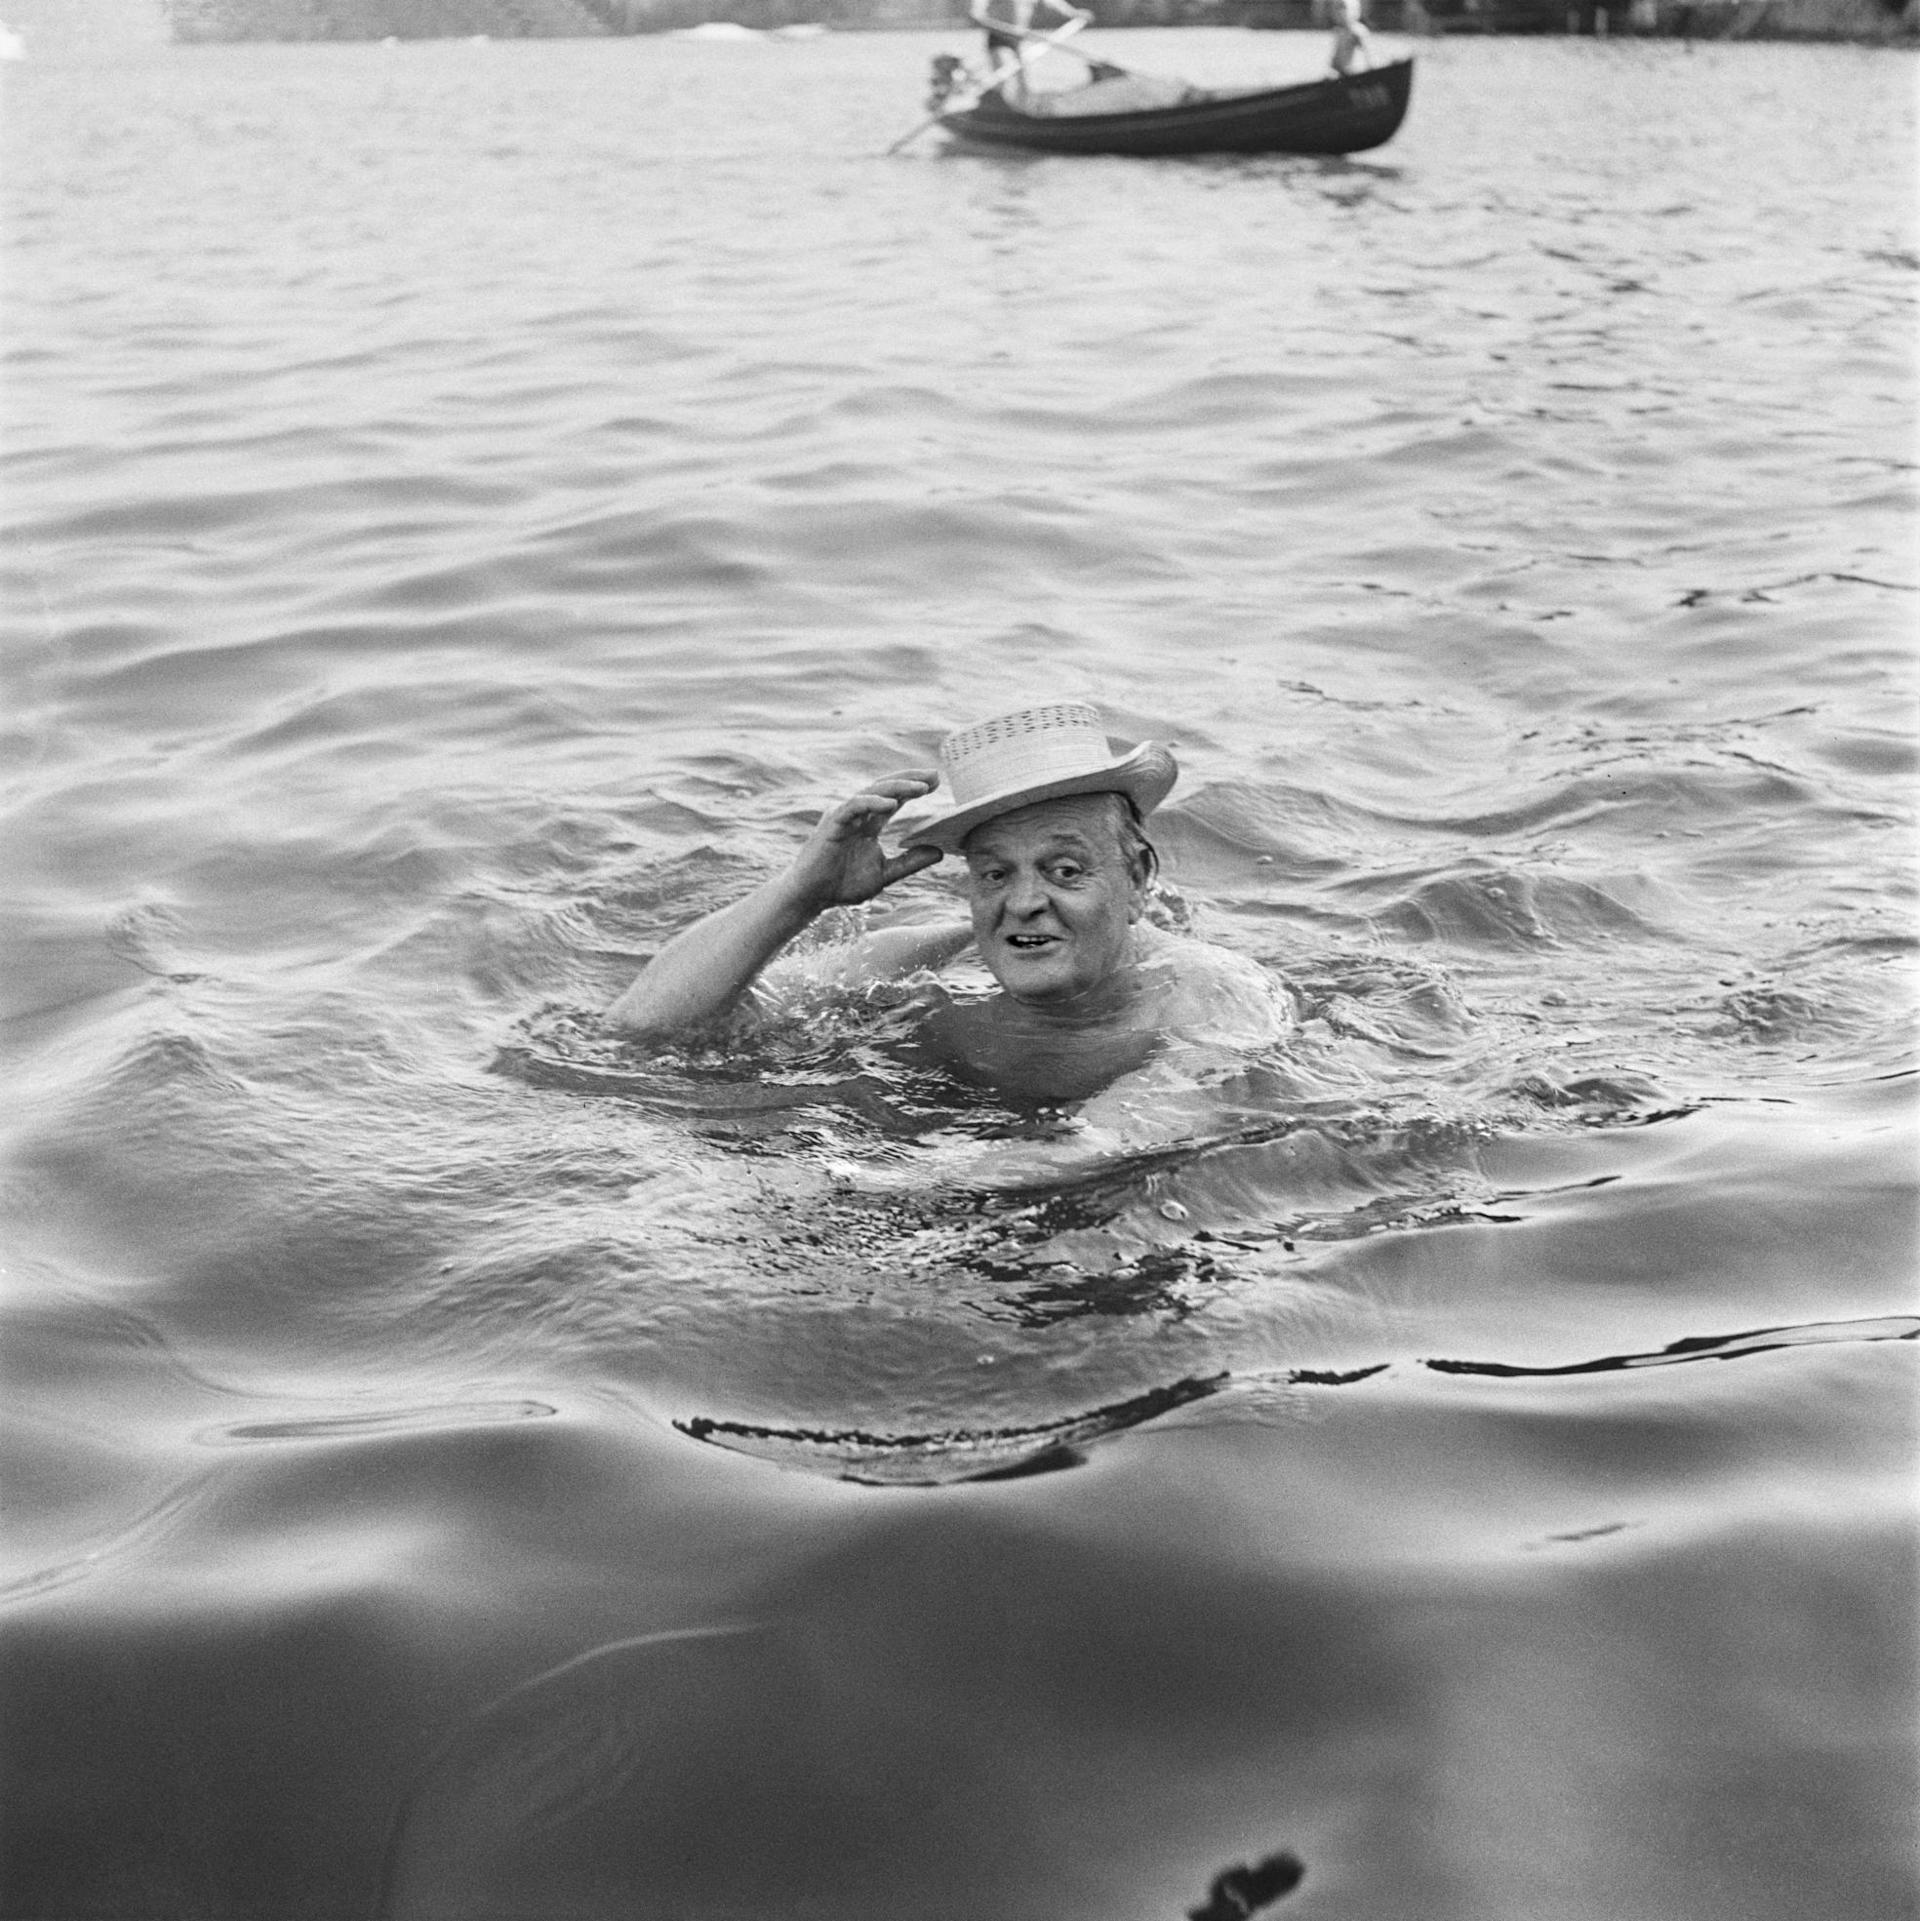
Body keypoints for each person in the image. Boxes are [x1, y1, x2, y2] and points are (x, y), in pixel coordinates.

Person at [607, 703, 1292, 1125]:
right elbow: (646, 1025)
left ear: (1138, 877)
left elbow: (1126, 1136)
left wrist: (888, 1186)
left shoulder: (1216, 996)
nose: (1023, 901)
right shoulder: (931, 962)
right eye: (996, 873)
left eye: (1065, 870)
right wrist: (798, 894)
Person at [1328, 0, 1376, 76]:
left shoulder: (1358, 30)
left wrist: (1373, 72)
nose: (1338, 13)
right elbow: (1337, 55)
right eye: (1336, 8)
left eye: (1343, 8)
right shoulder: (1340, 30)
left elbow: (1369, 53)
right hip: (1341, 73)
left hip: (1354, 74)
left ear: (1354, 11)